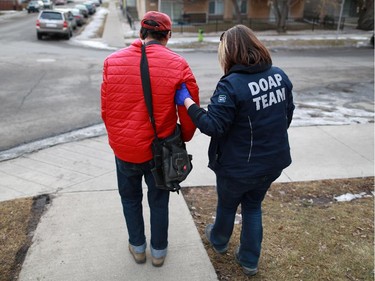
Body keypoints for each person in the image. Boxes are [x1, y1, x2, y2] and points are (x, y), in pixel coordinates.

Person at [175, 24, 294, 276]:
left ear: (229, 52)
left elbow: (213, 126)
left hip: (238, 167)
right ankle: (249, 260)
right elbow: (287, 116)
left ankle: (218, 241)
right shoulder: (279, 76)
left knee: (228, 205)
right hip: (272, 162)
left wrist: (187, 102)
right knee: (253, 206)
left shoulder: (231, 85)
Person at [101, 11, 199, 267]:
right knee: (158, 201)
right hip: (161, 149)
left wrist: (116, 141)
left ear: (141, 33)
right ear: (167, 35)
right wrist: (183, 138)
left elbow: (106, 109)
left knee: (130, 198)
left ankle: (138, 247)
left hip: (125, 150)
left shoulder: (112, 62)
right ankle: (158, 252)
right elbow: (189, 112)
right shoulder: (178, 64)